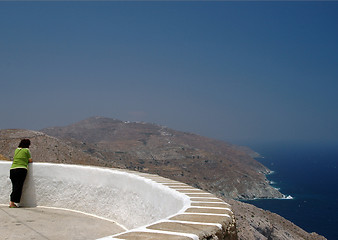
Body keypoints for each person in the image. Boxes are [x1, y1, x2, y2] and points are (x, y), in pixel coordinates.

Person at [9, 138, 33, 208]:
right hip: (21, 169)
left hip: (12, 169)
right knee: (18, 186)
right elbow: (30, 160)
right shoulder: (27, 150)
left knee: (14, 186)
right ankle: (12, 203)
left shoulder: (17, 150)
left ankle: (12, 202)